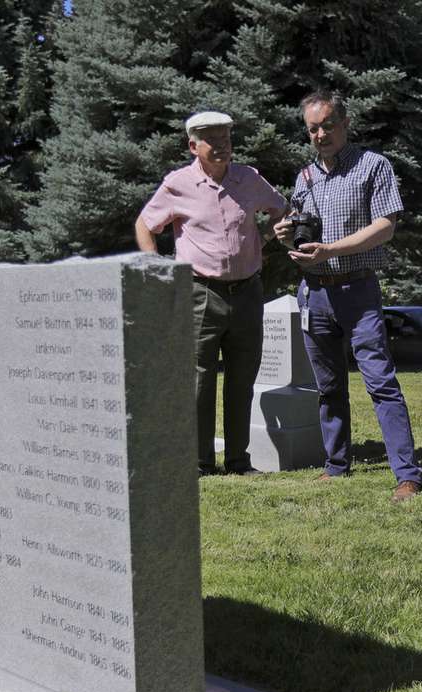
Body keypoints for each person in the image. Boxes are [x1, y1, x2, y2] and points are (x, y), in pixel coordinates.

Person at [273, 90, 422, 502]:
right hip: (314, 293)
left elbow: (385, 226)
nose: (320, 134)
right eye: (313, 128)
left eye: (327, 125)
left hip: (357, 289)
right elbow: (301, 226)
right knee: (328, 387)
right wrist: (287, 232)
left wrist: (332, 250)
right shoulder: (304, 177)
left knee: (380, 382)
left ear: (345, 124)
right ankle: (336, 465)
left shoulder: (373, 166)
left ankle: (407, 475)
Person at [136, 111, 287, 475]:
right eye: (211, 140)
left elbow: (281, 209)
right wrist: (157, 269)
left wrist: (266, 235)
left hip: (248, 291)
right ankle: (200, 462)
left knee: (242, 377)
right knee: (199, 380)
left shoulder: (249, 179)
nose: (221, 146)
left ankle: (238, 460)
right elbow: (145, 225)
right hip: (200, 293)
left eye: (226, 139)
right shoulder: (178, 184)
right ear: (193, 146)